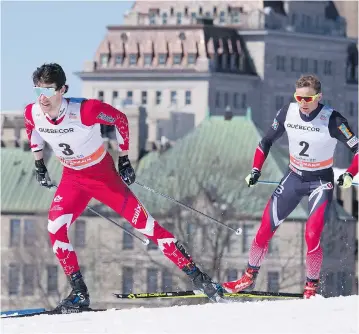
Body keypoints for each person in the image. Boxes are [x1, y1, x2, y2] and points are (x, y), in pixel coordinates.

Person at [24, 63, 224, 312]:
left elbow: (120, 120)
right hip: (72, 179)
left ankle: (201, 280)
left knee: (148, 227)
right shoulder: (32, 112)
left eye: (49, 90)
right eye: (37, 91)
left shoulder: (85, 110)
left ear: (63, 89)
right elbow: (33, 132)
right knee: (55, 228)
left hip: (103, 177)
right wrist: (39, 165)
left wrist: (124, 158)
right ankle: (79, 294)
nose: (42, 97)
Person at [223, 74, 358, 299]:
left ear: (319, 97)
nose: (303, 104)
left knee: (312, 235)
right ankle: (247, 277)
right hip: (294, 177)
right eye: (299, 98)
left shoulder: (333, 120)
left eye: (308, 99)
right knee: (264, 229)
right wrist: (256, 169)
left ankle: (310, 287)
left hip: (320, 182)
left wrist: (349, 174)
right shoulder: (288, 112)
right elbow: (265, 141)